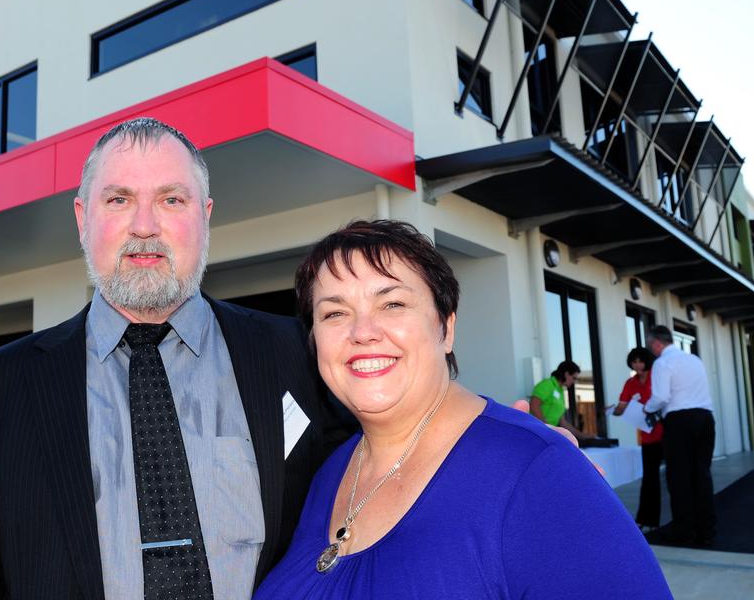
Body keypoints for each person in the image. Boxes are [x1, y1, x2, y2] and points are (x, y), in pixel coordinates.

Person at [0, 118, 350, 599]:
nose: (144, 227)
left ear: (205, 216)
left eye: (171, 199)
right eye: (119, 200)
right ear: (83, 219)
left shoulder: (296, 352)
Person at [253, 220, 670, 598]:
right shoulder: (327, 474)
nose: (362, 332)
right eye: (334, 312)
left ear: (446, 327)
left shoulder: (536, 472)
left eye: (392, 304)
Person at [644, 325, 716, 547]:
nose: (651, 350)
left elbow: (661, 396)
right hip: (705, 418)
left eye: (650, 345)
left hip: (679, 422)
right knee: (702, 474)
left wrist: (646, 409)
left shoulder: (662, 363)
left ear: (657, 343)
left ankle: (684, 532)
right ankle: (706, 531)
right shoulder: (694, 360)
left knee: (679, 478)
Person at [613, 347, 663, 531]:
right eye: (634, 361)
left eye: (640, 361)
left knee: (676, 477)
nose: (637, 365)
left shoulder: (657, 377)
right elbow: (621, 407)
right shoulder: (630, 383)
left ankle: (681, 520)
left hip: (668, 434)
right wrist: (612, 410)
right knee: (650, 479)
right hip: (648, 437)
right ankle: (646, 520)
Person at [531, 360, 595, 439]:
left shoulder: (560, 391)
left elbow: (562, 422)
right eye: (574, 378)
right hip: (537, 433)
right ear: (566, 374)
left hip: (547, 434)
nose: (574, 381)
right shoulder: (547, 384)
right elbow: (534, 406)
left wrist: (582, 435)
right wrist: (546, 428)